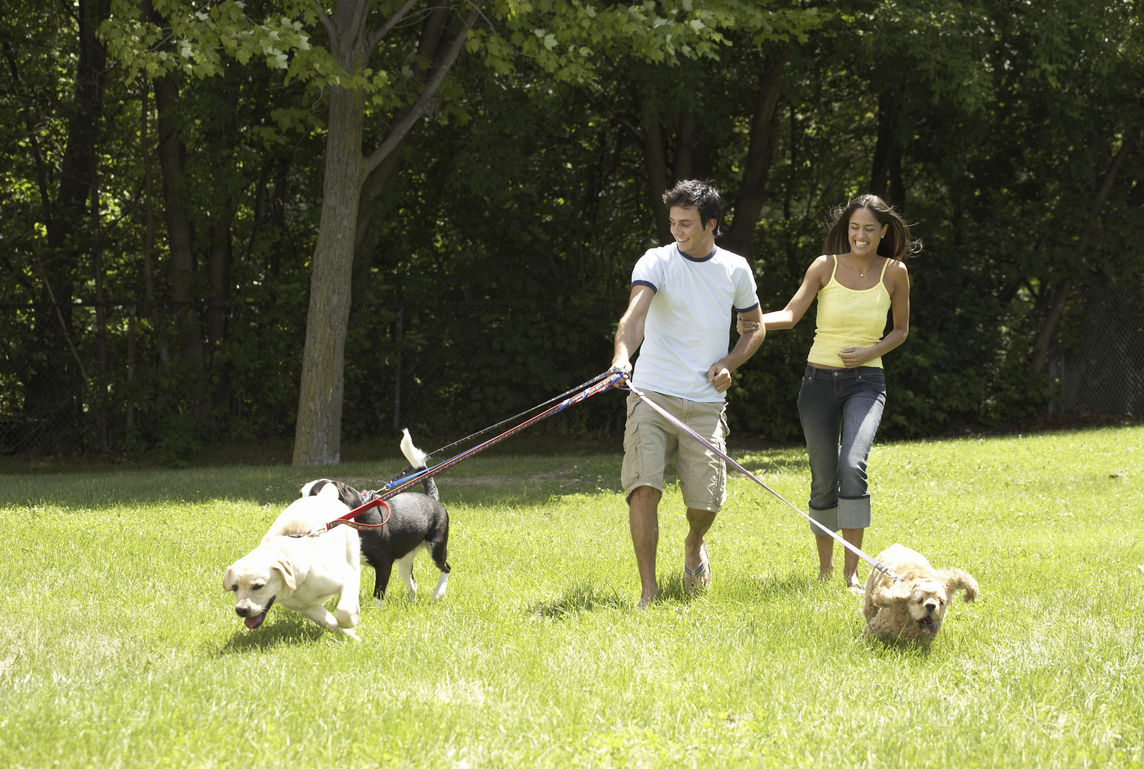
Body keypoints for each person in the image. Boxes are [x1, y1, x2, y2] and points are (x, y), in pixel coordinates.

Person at [739, 194, 917, 589]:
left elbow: (901, 330)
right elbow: (789, 315)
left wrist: (870, 351)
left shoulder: (895, 272)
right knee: (822, 478)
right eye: (855, 227)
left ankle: (851, 575)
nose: (860, 235)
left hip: (867, 382)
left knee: (852, 466)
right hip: (817, 383)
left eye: (870, 228)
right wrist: (751, 321)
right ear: (846, 229)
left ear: (883, 231)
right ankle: (824, 572)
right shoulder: (824, 266)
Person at [611, 179, 766, 609]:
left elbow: (754, 327)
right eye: (673, 222)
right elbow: (634, 317)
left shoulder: (735, 269)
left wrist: (728, 364)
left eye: (687, 224)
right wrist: (622, 356)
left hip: (705, 404)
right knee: (644, 488)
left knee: (705, 504)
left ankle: (694, 544)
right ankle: (649, 591)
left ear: (711, 224)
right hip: (651, 396)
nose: (677, 231)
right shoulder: (656, 261)